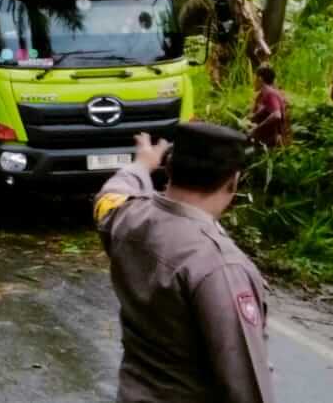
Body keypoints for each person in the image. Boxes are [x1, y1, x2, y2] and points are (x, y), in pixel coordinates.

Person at [94, 124, 273, 403]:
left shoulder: (127, 218)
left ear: (169, 170)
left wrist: (142, 165)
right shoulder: (220, 265)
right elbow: (246, 383)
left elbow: (110, 194)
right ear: (233, 181)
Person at [248, 64, 291, 149]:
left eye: (254, 78)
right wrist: (254, 116)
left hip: (272, 143)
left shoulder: (269, 93)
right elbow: (268, 109)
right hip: (267, 141)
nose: (253, 81)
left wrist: (256, 129)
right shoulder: (266, 93)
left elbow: (276, 115)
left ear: (260, 79)